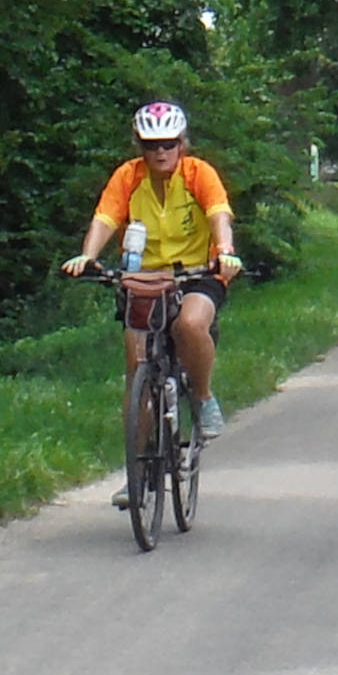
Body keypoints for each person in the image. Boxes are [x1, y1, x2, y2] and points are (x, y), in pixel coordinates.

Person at [61, 102, 242, 509]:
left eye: (168, 144)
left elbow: (219, 214)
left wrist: (226, 252)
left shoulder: (199, 174)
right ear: (140, 146)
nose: (160, 152)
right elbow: (106, 218)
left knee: (191, 324)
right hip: (142, 279)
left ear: (182, 144)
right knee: (137, 371)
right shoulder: (128, 177)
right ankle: (138, 475)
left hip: (197, 272)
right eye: (150, 145)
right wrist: (88, 256)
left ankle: (203, 399)